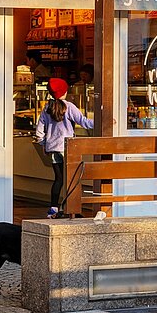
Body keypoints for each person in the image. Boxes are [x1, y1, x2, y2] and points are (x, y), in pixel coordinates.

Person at [34, 77, 93, 212]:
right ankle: (71, 209)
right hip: (68, 148)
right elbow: (84, 122)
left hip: (53, 149)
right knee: (72, 178)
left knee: (59, 179)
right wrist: (103, 122)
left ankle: (53, 209)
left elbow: (39, 132)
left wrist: (44, 144)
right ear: (64, 92)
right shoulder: (69, 107)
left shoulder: (47, 108)